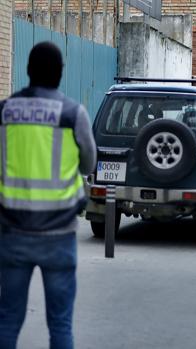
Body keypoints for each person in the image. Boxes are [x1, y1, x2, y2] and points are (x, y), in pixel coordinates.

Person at [0, 42, 97, 349]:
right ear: (59, 74)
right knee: (60, 323)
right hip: (59, 235)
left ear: (28, 71)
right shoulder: (72, 114)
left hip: (13, 232)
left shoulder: (4, 112)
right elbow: (89, 163)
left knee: (8, 319)